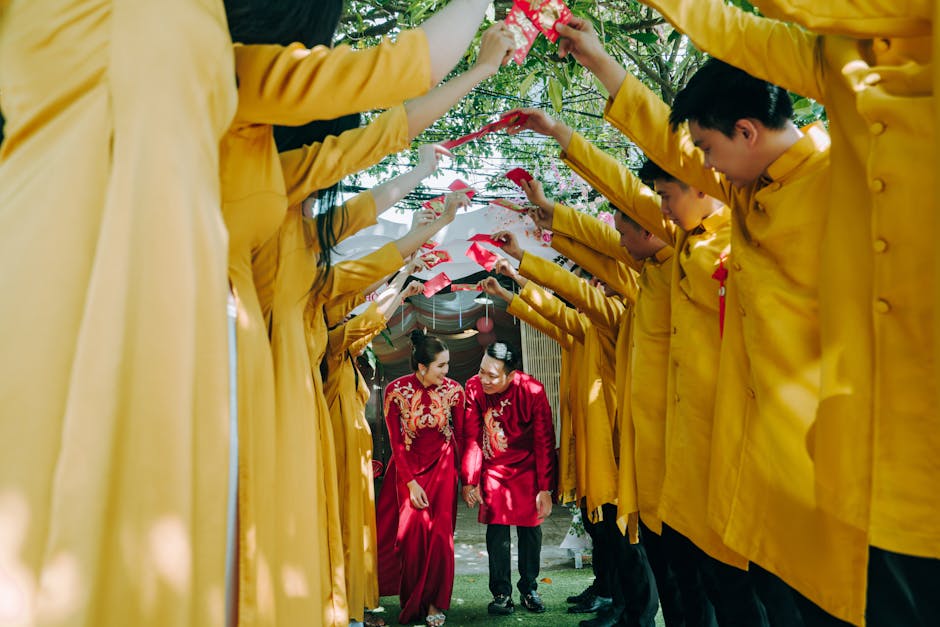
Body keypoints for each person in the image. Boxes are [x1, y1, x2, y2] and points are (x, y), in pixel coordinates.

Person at [617, 2, 937, 624]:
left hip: (875, 446)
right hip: (785, 462)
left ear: (746, 132)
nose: (702, 168)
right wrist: (599, 72)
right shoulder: (752, 186)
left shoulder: (828, 169)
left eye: (708, 150)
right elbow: (741, 41)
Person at [0, 2, 237, 625]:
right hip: (45, 242)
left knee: (154, 524)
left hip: (175, 279)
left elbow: (376, 76)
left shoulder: (219, 25)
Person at [323, 270, 427, 627]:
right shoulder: (334, 346)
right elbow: (371, 319)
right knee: (347, 529)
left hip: (357, 457)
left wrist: (401, 288)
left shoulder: (348, 355)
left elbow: (368, 321)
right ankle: (347, 611)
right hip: (339, 455)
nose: (352, 315)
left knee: (361, 529)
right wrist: (398, 284)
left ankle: (358, 605)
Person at [459, 342, 558, 617]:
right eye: (482, 371)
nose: (485, 379)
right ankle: (501, 593)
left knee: (531, 532)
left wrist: (545, 488)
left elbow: (544, 441)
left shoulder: (532, 390)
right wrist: (470, 479)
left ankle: (529, 588)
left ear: (511, 375)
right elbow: (471, 436)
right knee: (497, 534)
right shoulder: (475, 387)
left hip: (527, 469)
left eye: (493, 375)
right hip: (493, 468)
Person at [376, 330, 466, 627]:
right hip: (408, 470)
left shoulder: (454, 391)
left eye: (447, 364)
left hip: (443, 465)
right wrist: (411, 482)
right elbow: (395, 442)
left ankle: (433, 604)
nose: (447, 371)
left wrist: (467, 479)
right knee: (411, 537)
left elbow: (463, 437)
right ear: (422, 367)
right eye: (441, 365)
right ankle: (412, 600)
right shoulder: (395, 390)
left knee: (440, 537)